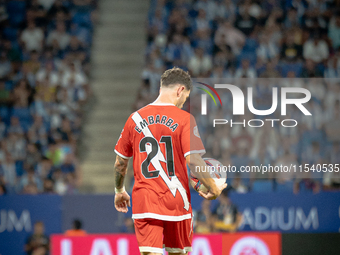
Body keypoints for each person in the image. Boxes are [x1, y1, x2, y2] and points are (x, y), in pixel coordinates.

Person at [114, 67, 227, 255]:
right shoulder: (184, 119)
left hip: (146, 200)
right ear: (180, 90)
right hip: (177, 201)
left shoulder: (134, 119)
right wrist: (214, 187)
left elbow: (120, 163)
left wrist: (119, 191)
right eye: (186, 97)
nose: (184, 102)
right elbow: (193, 161)